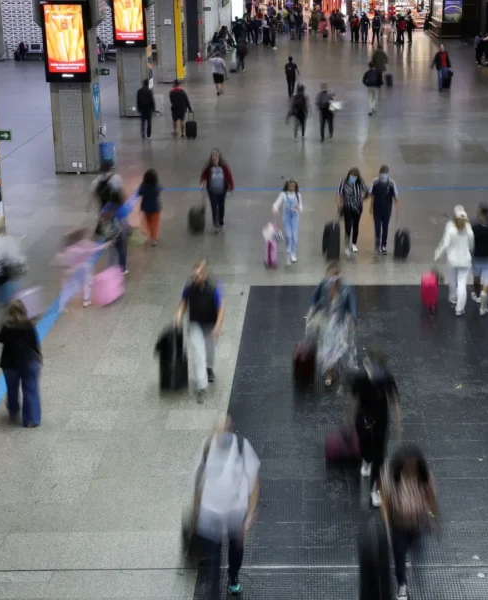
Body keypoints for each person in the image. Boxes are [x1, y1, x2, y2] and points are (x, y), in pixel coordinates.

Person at [192, 416, 260, 598]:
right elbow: (198, 481)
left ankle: (233, 577)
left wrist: (251, 511)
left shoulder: (241, 446)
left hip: (235, 513)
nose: (222, 434)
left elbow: (253, 481)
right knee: (213, 557)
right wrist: (196, 509)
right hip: (211, 513)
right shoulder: (206, 448)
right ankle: (214, 591)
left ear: (231, 429)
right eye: (219, 431)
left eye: (225, 430)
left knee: (236, 549)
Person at [379, 444, 439, 600]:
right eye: (408, 466)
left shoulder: (425, 478)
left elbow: (431, 498)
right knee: (399, 557)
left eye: (414, 466)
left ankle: (410, 564)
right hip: (398, 526)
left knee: (417, 552)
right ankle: (402, 585)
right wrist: (386, 524)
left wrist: (434, 518)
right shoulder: (391, 476)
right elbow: (384, 500)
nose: (411, 469)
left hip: (418, 524)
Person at [353, 348, 400, 507]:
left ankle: (375, 489)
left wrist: (398, 423)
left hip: (381, 419)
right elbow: (354, 399)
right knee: (366, 445)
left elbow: (393, 399)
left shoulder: (386, 378)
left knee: (380, 456)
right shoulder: (360, 378)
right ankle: (366, 459)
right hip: (363, 417)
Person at [175, 260, 225, 403]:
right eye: (193, 276)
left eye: (197, 276)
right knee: (198, 353)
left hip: (210, 323)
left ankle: (209, 368)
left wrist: (218, 326)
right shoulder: (189, 287)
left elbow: (221, 309)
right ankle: (201, 387)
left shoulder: (214, 288)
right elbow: (183, 303)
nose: (194, 279)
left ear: (204, 276)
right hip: (195, 323)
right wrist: (178, 317)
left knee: (210, 351)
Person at [308, 263, 358, 387]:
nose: (329, 279)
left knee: (338, 347)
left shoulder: (345, 288)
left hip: (339, 322)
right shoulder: (323, 284)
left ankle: (337, 365)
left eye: (331, 276)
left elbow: (351, 302)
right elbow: (314, 297)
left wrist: (352, 315)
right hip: (326, 321)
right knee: (327, 348)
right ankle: (329, 373)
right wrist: (312, 309)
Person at [0, 299, 42, 428]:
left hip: (10, 364)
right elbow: (34, 343)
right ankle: (31, 420)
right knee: (31, 390)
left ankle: (13, 412)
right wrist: (38, 356)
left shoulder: (7, 326)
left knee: (12, 389)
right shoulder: (29, 325)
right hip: (28, 362)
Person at [53, 228, 111, 310]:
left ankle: (65, 304)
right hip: (81, 268)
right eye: (86, 235)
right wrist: (103, 246)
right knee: (79, 285)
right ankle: (68, 303)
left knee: (80, 284)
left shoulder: (73, 247)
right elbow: (90, 250)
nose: (88, 236)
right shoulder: (77, 248)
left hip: (79, 268)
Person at [434, 205, 475, 316]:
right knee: (462, 284)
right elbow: (471, 246)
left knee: (452, 280)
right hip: (465, 261)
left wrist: (437, 255)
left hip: (452, 260)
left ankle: (453, 297)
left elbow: (445, 245)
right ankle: (459, 309)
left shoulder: (451, 230)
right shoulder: (469, 231)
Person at [200, 149, 235, 234]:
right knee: (214, 207)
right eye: (213, 156)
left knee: (221, 206)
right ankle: (215, 224)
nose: (214, 158)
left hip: (222, 191)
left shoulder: (224, 167)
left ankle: (220, 219)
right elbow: (204, 175)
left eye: (216, 156)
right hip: (212, 191)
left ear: (219, 157)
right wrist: (203, 181)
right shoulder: (209, 167)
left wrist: (231, 187)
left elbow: (229, 176)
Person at [337, 167, 370, 257]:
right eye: (352, 176)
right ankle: (347, 246)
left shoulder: (360, 182)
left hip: (357, 207)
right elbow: (339, 194)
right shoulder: (343, 181)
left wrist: (362, 199)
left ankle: (354, 244)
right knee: (348, 226)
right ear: (349, 175)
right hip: (347, 207)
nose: (353, 179)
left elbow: (368, 191)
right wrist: (339, 206)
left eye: (355, 177)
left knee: (356, 225)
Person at [272, 178, 303, 264]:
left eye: (293, 186)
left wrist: (298, 208)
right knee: (288, 235)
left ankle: (293, 253)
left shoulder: (298, 195)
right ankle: (288, 250)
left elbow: (301, 207)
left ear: (295, 186)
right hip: (287, 217)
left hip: (295, 217)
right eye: (290, 185)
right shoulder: (283, 194)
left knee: (294, 235)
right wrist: (275, 208)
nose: (291, 187)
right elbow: (276, 203)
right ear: (287, 186)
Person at [370, 165, 398, 255]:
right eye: (381, 174)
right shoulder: (375, 182)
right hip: (377, 210)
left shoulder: (392, 183)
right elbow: (372, 196)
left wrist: (397, 207)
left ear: (387, 174)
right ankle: (377, 246)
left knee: (385, 228)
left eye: (385, 174)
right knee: (377, 228)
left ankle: (383, 245)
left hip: (387, 210)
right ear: (379, 173)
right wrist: (370, 207)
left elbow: (396, 197)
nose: (383, 176)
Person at [137, 168, 162, 246]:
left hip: (146, 208)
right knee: (155, 224)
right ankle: (153, 239)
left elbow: (139, 193)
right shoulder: (156, 186)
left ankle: (148, 236)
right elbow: (160, 190)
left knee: (148, 223)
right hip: (156, 208)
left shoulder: (143, 185)